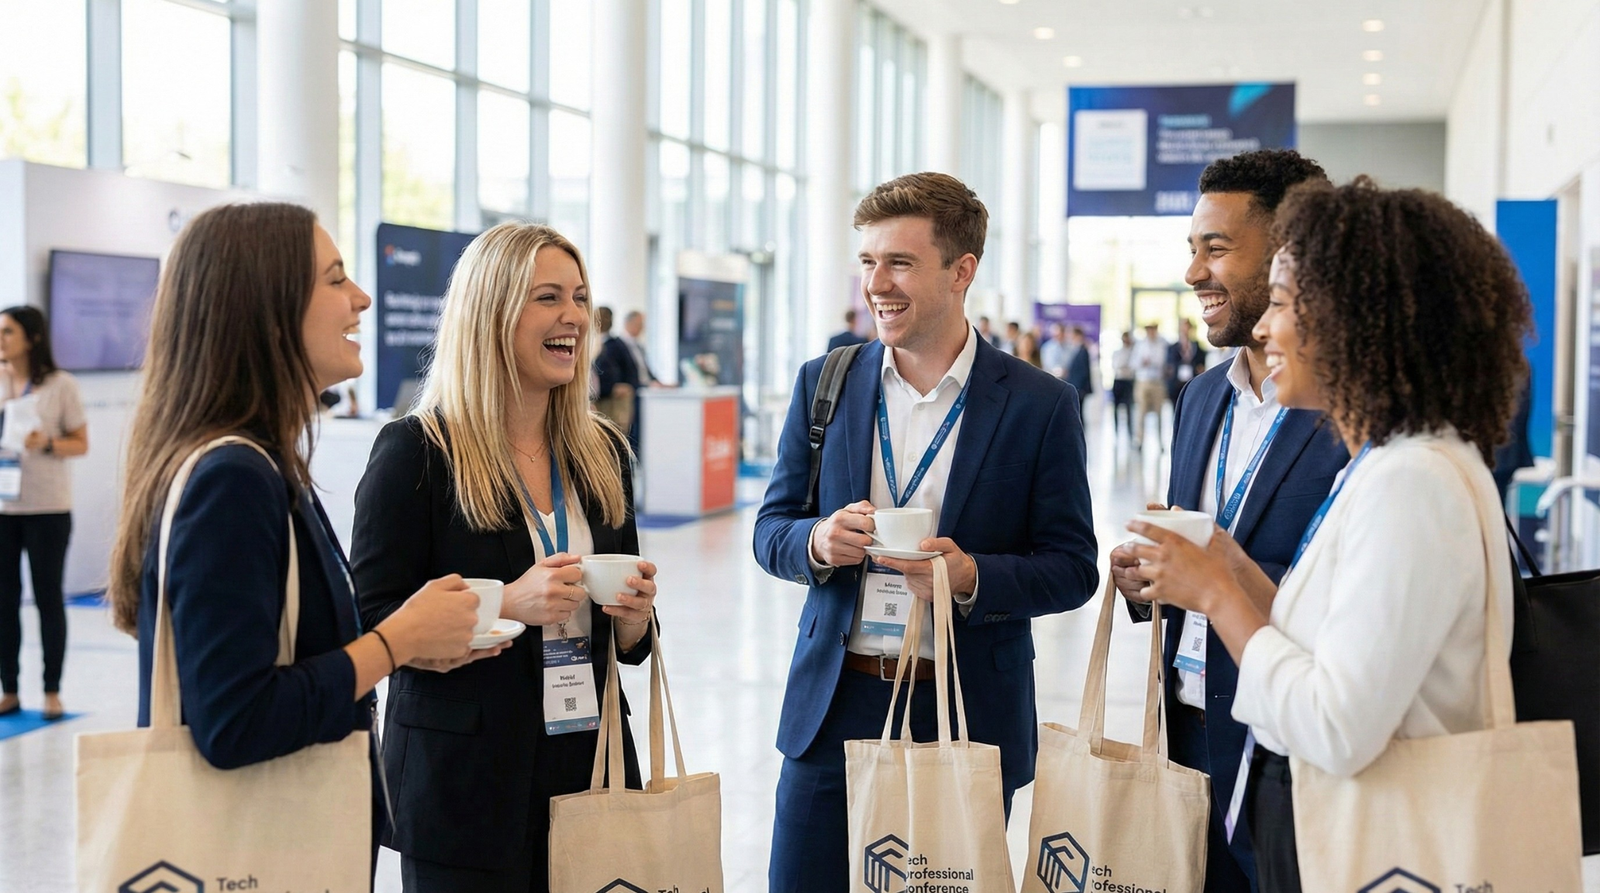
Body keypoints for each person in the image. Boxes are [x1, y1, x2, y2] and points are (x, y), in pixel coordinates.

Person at [1124, 178, 1528, 893]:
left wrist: (1220, 593)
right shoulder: (1393, 459)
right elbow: (1339, 635)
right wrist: (1224, 564)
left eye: (1281, 304)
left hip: (1379, 841)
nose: (1264, 329)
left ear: (1353, 317)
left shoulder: (1412, 480)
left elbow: (1336, 724)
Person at [106, 203, 483, 870]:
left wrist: (403, 647)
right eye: (336, 279)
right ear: (267, 307)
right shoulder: (232, 477)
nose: (361, 297)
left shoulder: (257, 465)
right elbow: (234, 719)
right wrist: (396, 642)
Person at [753, 171, 1099, 891]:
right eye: (868, 262)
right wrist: (817, 542)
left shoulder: (1039, 404)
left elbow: (1072, 566)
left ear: (961, 271)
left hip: (962, 709)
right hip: (834, 705)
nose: (877, 283)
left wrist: (973, 577)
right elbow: (771, 528)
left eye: (900, 262)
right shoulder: (826, 382)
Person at [351, 223, 659, 892]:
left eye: (579, 297)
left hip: (589, 764)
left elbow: (630, 638)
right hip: (462, 787)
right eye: (547, 297)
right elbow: (371, 620)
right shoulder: (417, 452)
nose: (573, 316)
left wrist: (635, 618)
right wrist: (505, 601)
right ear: (490, 312)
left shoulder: (601, 453)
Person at [1108, 148, 1342, 893]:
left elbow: (1351, 590)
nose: (1193, 272)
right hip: (1189, 731)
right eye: (1191, 248)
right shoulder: (1203, 398)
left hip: (1290, 747)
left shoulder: (1349, 407)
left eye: (1216, 248)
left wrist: (1219, 578)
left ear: (1286, 253)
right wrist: (1153, 576)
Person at [0, 306, 87, 721]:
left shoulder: (60, 385)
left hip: (48, 508)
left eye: (7, 332)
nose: (0, 339)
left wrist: (47, 443)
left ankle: (52, 690)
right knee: (4, 601)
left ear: (31, 338)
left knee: (48, 598)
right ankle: (10, 689)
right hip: (3, 507)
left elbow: (81, 443)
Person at [592, 306, 635, 436]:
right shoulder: (588, 342)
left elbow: (630, 370)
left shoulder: (616, 344)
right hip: (596, 398)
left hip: (613, 400)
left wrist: (624, 386)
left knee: (613, 436)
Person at [1131, 322, 1170, 448]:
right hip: (1143, 381)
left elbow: (1164, 362)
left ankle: (1160, 441)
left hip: (1157, 382)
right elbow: (1133, 363)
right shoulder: (1140, 345)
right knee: (1141, 412)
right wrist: (1142, 362)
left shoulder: (1162, 344)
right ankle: (1139, 440)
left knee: (1159, 412)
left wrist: (1153, 362)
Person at [1166, 317, 1206, 403]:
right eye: (1183, 327)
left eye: (1187, 327)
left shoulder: (1198, 348)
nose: (1185, 330)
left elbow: (1201, 366)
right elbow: (1169, 366)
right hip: (1177, 385)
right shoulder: (1173, 348)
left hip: (1192, 384)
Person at [1111, 330, 1136, 440]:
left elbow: (1133, 367)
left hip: (1128, 382)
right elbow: (1117, 366)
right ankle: (1116, 432)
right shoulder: (1117, 352)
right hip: (1118, 381)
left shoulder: (1134, 352)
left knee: (1129, 407)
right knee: (1116, 407)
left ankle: (1130, 433)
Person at [1064, 326, 1094, 418]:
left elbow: (1083, 372)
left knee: (1079, 413)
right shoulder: (1075, 349)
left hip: (1079, 388)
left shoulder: (1083, 351)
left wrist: (1079, 388)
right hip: (1075, 386)